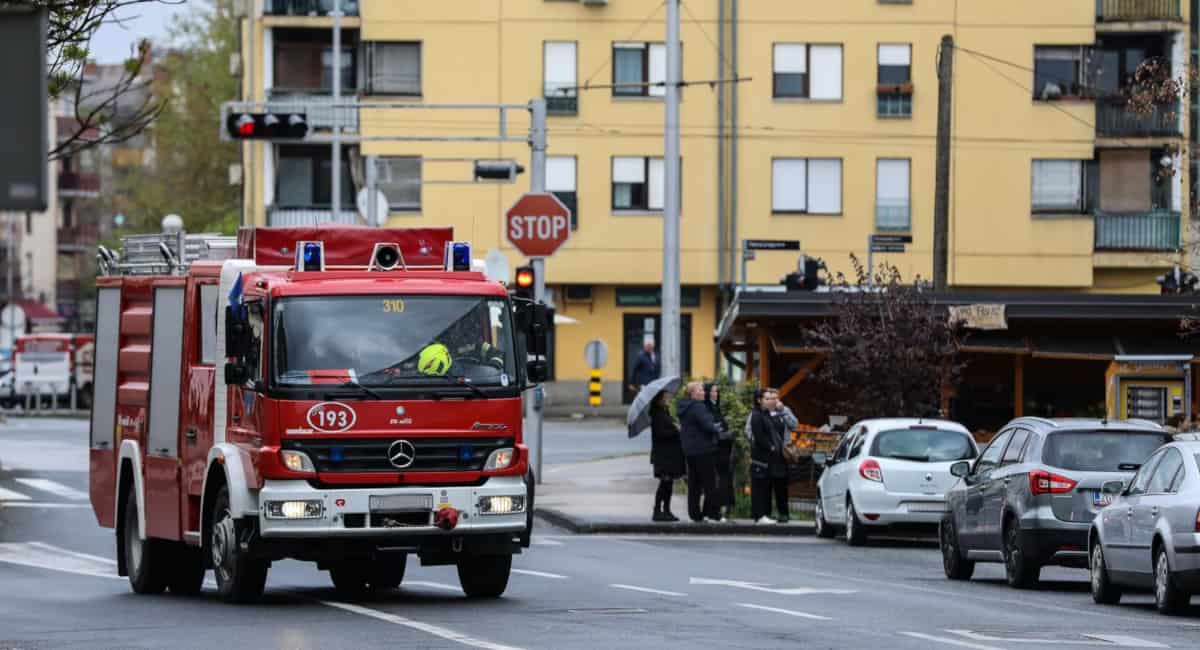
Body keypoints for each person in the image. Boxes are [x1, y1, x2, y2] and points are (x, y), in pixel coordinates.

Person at [677, 381, 723, 523]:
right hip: (703, 449)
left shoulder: (684, 407)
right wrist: (717, 429)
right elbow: (707, 426)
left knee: (694, 484)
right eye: (701, 390)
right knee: (710, 483)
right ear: (693, 394)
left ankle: (695, 514)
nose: (704, 392)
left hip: (690, 450)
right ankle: (713, 514)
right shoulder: (698, 406)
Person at [749, 388, 790, 524]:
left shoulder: (765, 414)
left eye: (770, 398)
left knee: (764, 485)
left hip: (769, 456)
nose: (769, 401)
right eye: (766, 399)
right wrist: (771, 447)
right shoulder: (756, 415)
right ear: (759, 400)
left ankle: (762, 515)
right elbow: (759, 436)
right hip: (761, 456)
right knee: (759, 486)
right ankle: (759, 515)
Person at [649, 390, 685, 522]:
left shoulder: (665, 412)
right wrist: (676, 430)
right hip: (663, 456)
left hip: (670, 454)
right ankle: (657, 510)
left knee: (668, 484)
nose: (668, 399)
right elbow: (661, 434)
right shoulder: (657, 415)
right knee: (664, 483)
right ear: (659, 400)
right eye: (665, 397)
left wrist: (675, 426)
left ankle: (667, 510)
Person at [704, 382, 735, 519]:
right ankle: (712, 511)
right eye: (713, 391)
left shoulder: (716, 407)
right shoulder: (707, 408)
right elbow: (712, 429)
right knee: (716, 482)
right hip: (715, 450)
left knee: (720, 482)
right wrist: (724, 434)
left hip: (723, 449)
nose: (715, 394)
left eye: (717, 392)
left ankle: (712, 511)